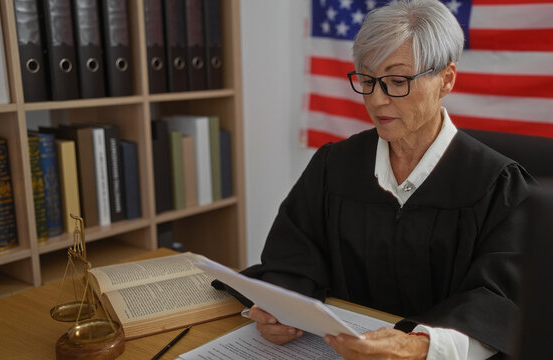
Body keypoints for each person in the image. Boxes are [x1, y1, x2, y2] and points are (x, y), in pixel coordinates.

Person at [218, 0, 534, 358]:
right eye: (367, 79)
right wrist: (282, 310)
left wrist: (421, 347)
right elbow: (294, 257)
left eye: (397, 81)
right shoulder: (334, 166)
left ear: (446, 79)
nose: (376, 99)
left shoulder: (499, 186)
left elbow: (503, 300)